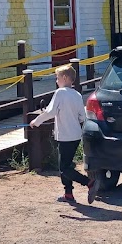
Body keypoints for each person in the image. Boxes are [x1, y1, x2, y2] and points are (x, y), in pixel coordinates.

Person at [30, 64, 95, 204]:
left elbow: (50, 112)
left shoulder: (60, 93)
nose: (56, 80)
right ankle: (68, 194)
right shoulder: (77, 94)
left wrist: (36, 121)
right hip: (75, 136)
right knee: (66, 165)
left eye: (57, 77)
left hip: (65, 136)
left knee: (64, 168)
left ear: (64, 78)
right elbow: (82, 117)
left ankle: (89, 183)